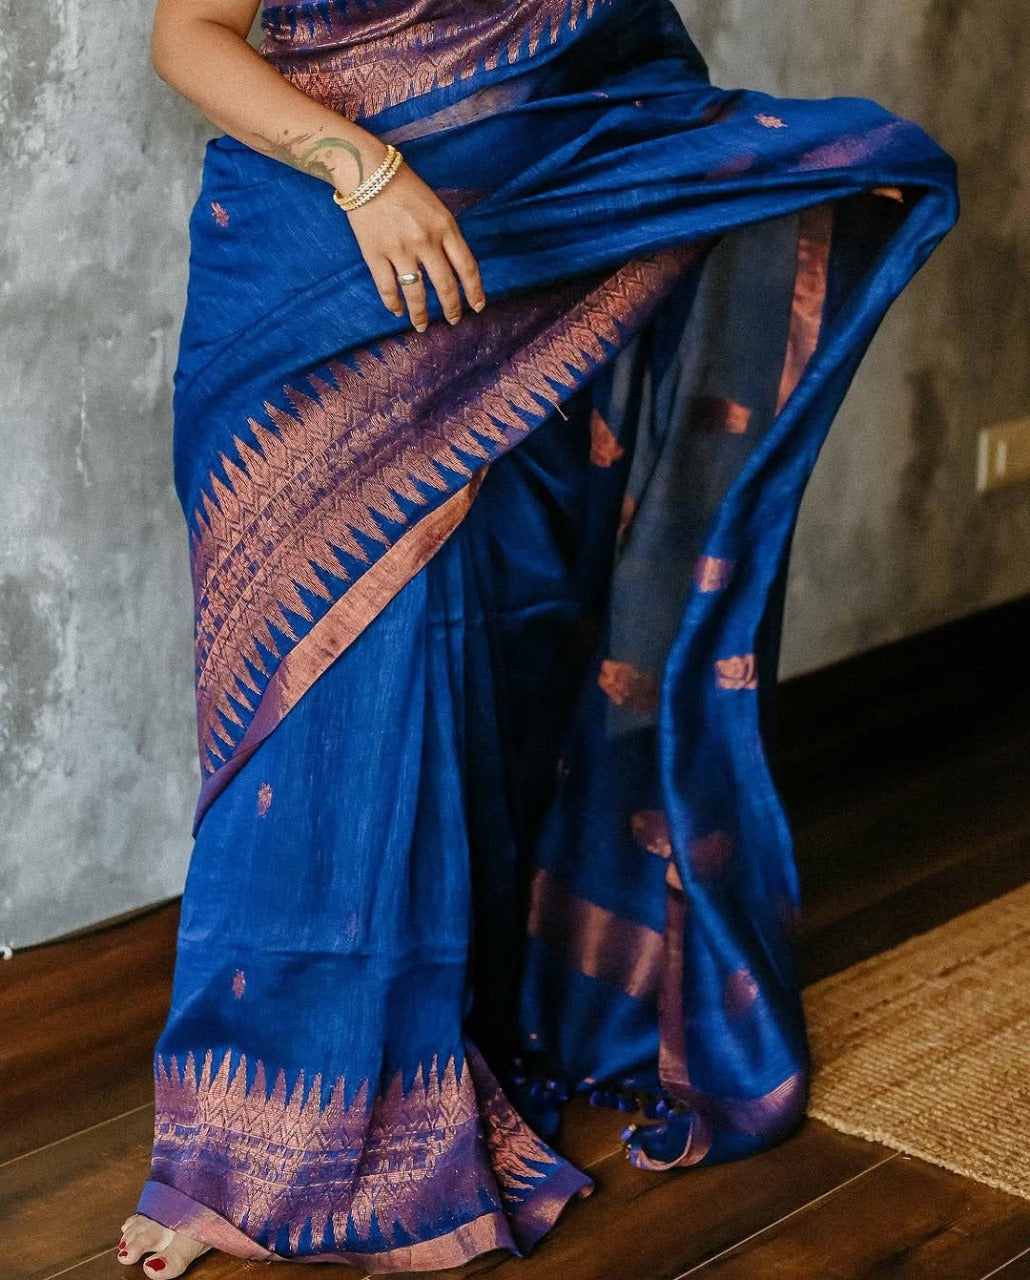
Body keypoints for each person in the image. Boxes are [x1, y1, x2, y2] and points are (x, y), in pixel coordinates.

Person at [116, 0, 959, 1274]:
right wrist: (368, 173)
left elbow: (609, 58)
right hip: (319, 277)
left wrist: (707, 178)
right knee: (322, 714)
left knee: (487, 672)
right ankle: (241, 1149)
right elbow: (189, 32)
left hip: (516, 268)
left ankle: (461, 1038)